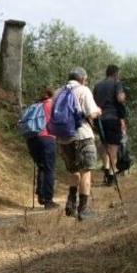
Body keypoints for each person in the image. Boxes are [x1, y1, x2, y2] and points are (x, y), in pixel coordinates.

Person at [54, 67, 102, 221]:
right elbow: (90, 113)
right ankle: (83, 210)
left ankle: (70, 201)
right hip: (82, 136)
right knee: (85, 172)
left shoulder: (58, 92)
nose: (86, 81)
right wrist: (99, 111)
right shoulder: (83, 90)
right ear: (82, 78)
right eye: (86, 79)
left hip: (63, 138)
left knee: (73, 170)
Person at [93, 64, 127, 186]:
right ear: (116, 73)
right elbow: (120, 99)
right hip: (113, 117)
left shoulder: (97, 86)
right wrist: (123, 96)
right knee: (113, 147)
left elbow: (93, 102)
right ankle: (112, 175)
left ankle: (106, 169)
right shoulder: (117, 83)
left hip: (100, 119)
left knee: (104, 145)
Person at [25, 87, 58, 209]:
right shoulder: (52, 105)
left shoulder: (35, 105)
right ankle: (48, 200)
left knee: (41, 167)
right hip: (47, 138)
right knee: (49, 168)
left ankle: (41, 195)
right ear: (51, 95)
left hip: (32, 139)